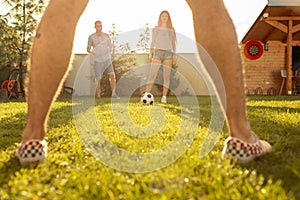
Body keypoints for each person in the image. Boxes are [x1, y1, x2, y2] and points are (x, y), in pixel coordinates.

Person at [15, 0, 271, 165]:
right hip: (151, 53)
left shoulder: (168, 31)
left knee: (66, 4)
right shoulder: (152, 31)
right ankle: (241, 136)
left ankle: (32, 138)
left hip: (164, 53)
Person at [145, 10, 177, 103]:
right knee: (152, 75)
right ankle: (146, 95)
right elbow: (153, 41)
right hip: (157, 53)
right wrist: (150, 53)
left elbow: (173, 44)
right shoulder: (155, 29)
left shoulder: (171, 30)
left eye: (166, 16)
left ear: (168, 18)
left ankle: (164, 97)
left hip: (168, 54)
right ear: (160, 17)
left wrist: (174, 56)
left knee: (166, 77)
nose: (164, 17)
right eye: (163, 16)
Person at [87, 20, 119, 99]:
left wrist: (110, 49)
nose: (99, 27)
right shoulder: (91, 37)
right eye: (97, 26)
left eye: (100, 26)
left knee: (112, 75)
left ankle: (114, 94)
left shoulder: (106, 36)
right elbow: (88, 49)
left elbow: (110, 46)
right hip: (97, 60)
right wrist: (92, 51)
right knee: (98, 78)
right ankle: (98, 95)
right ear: (95, 27)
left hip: (107, 59)